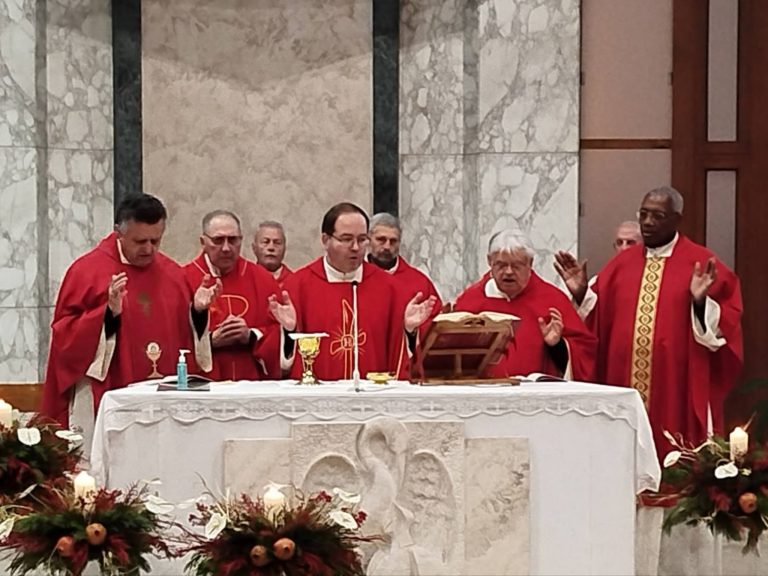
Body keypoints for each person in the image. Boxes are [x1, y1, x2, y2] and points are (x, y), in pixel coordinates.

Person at [554, 186, 743, 454]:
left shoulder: (701, 263)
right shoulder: (621, 265)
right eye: (643, 214)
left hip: (675, 383)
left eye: (658, 216)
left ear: (677, 219)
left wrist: (700, 301)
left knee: (674, 451)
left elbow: (727, 324)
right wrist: (582, 292)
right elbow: (595, 323)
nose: (648, 223)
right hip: (622, 381)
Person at [42, 194, 219, 428]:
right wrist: (107, 315)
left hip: (164, 402)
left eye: (155, 241)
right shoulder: (87, 272)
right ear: (119, 232)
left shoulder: (173, 274)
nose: (149, 249)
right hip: (108, 394)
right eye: (140, 241)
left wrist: (197, 312)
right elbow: (64, 337)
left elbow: (185, 341)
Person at [284, 202, 436, 380]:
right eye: (347, 239)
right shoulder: (298, 286)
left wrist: (409, 331)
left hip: (373, 400)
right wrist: (287, 331)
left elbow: (402, 359)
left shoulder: (389, 288)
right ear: (326, 240)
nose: (356, 247)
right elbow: (280, 358)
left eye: (362, 239)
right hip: (319, 400)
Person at [453, 229, 596, 380]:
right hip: (484, 394)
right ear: (489, 261)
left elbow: (584, 352)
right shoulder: (470, 301)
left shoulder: (553, 300)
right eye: (501, 265)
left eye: (516, 265)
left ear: (530, 263)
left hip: (538, 397)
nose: (508, 272)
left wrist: (557, 345)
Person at [184, 211, 296, 381]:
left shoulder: (262, 279)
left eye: (233, 240)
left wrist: (250, 336)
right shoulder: (184, 278)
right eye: (218, 240)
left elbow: (278, 334)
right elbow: (173, 339)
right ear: (203, 242)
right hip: (204, 388)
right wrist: (209, 342)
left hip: (251, 383)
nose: (226, 248)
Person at [367, 213, 443, 375]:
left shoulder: (419, 283)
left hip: (404, 372)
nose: (387, 246)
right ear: (368, 240)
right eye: (381, 240)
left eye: (393, 241)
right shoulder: (356, 279)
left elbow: (436, 330)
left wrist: (412, 330)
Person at [555, 220, 642, 311]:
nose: (624, 248)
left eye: (631, 243)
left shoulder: (652, 278)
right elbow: (592, 317)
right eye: (619, 243)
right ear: (614, 247)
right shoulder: (599, 282)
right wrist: (581, 294)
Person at [252, 221, 292, 288]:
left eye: (277, 243)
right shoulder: (245, 280)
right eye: (265, 242)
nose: (271, 248)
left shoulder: (296, 282)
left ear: (285, 248)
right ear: (254, 248)